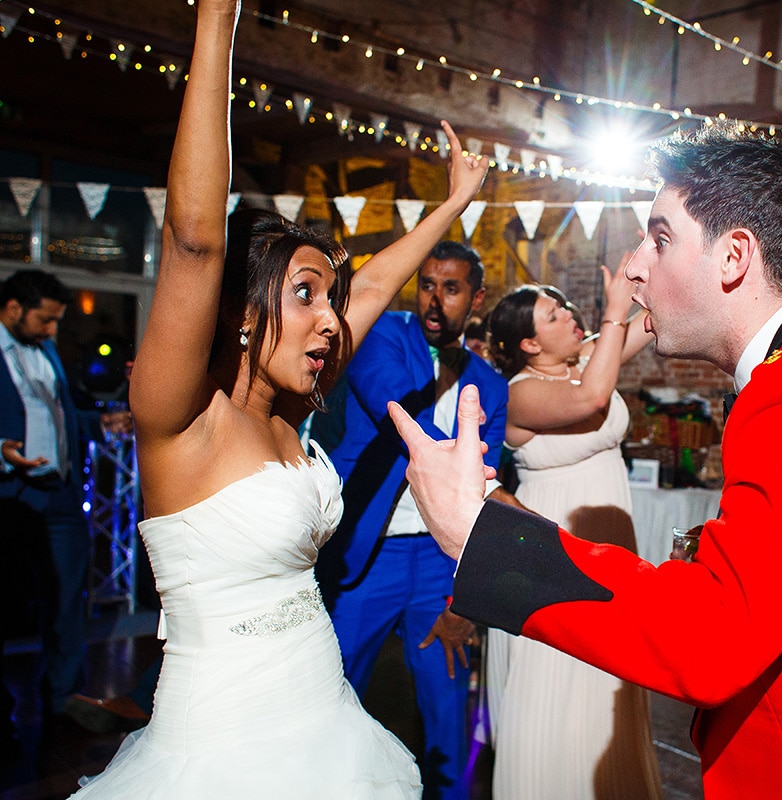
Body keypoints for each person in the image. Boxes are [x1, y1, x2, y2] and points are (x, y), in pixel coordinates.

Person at [388, 124, 782, 799]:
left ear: (734, 257)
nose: (634, 266)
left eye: (660, 239)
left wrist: (478, 534)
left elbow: (713, 636)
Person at [67, 1, 487, 796]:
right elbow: (196, 237)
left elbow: (370, 286)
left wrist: (453, 206)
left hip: (326, 725)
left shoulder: (290, 413)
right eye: (304, 295)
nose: (330, 320)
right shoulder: (181, 422)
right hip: (224, 755)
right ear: (239, 312)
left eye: (328, 302)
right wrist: (219, 18)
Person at [317, 240, 508, 800]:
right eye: (427, 284)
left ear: (475, 297)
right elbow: (391, 404)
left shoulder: (490, 386)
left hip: (439, 563)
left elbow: (484, 484)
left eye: (451, 289)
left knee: (447, 716)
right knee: (334, 693)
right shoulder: (380, 336)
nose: (435, 299)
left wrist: (467, 597)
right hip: (369, 553)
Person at [482, 272, 659, 800]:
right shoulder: (519, 396)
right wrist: (610, 310)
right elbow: (591, 399)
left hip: (612, 535)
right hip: (553, 545)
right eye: (553, 316)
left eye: (564, 308)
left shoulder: (585, 359)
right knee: (557, 672)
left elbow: (647, 323)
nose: (568, 316)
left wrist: (653, 279)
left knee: (610, 671)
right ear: (530, 344)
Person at [0, 270, 130, 755]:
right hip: (10, 495)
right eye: (46, 320)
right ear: (13, 308)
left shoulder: (45, 352)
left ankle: (62, 698)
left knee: (66, 601)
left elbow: (60, 414)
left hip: (58, 492)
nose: (54, 331)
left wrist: (99, 422)